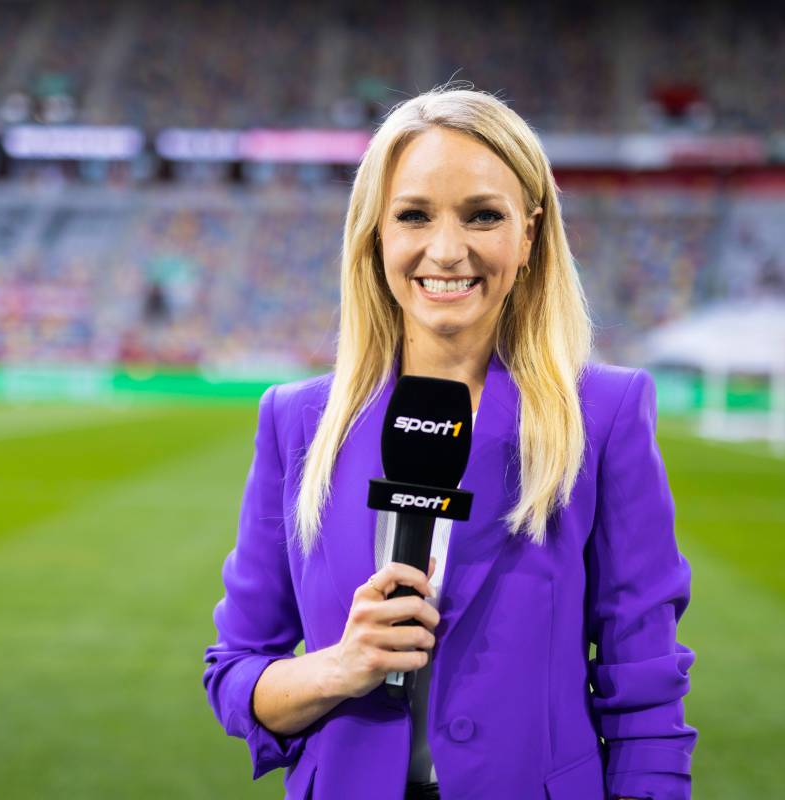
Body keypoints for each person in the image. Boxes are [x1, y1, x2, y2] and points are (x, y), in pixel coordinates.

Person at [202, 86, 697, 800]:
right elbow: (235, 676)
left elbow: (646, 689)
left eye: (482, 216)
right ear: (376, 234)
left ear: (528, 235)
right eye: (413, 215)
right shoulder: (297, 420)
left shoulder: (606, 414)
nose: (446, 249)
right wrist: (342, 665)